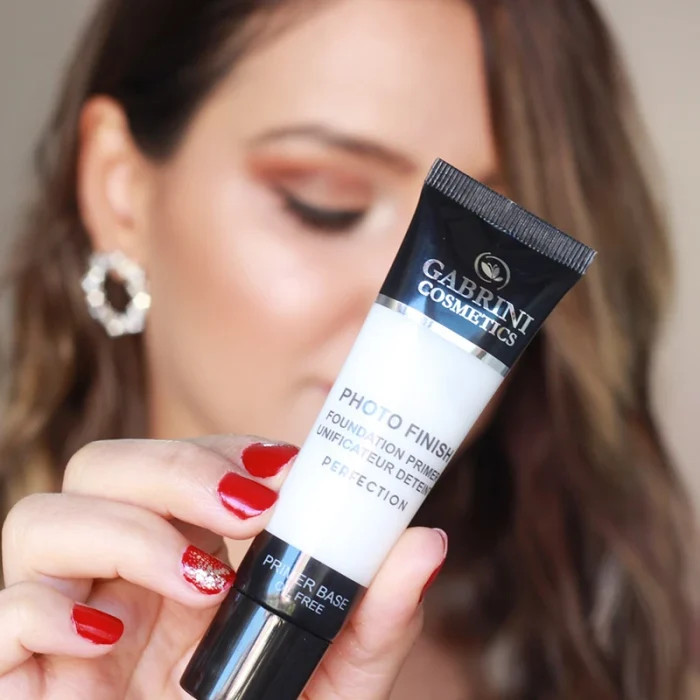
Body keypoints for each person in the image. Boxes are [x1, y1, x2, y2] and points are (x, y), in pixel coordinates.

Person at [0, 0, 695, 698]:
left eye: (474, 268)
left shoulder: (623, 667)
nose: (398, 308)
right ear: (121, 191)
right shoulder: (24, 655)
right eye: (324, 203)